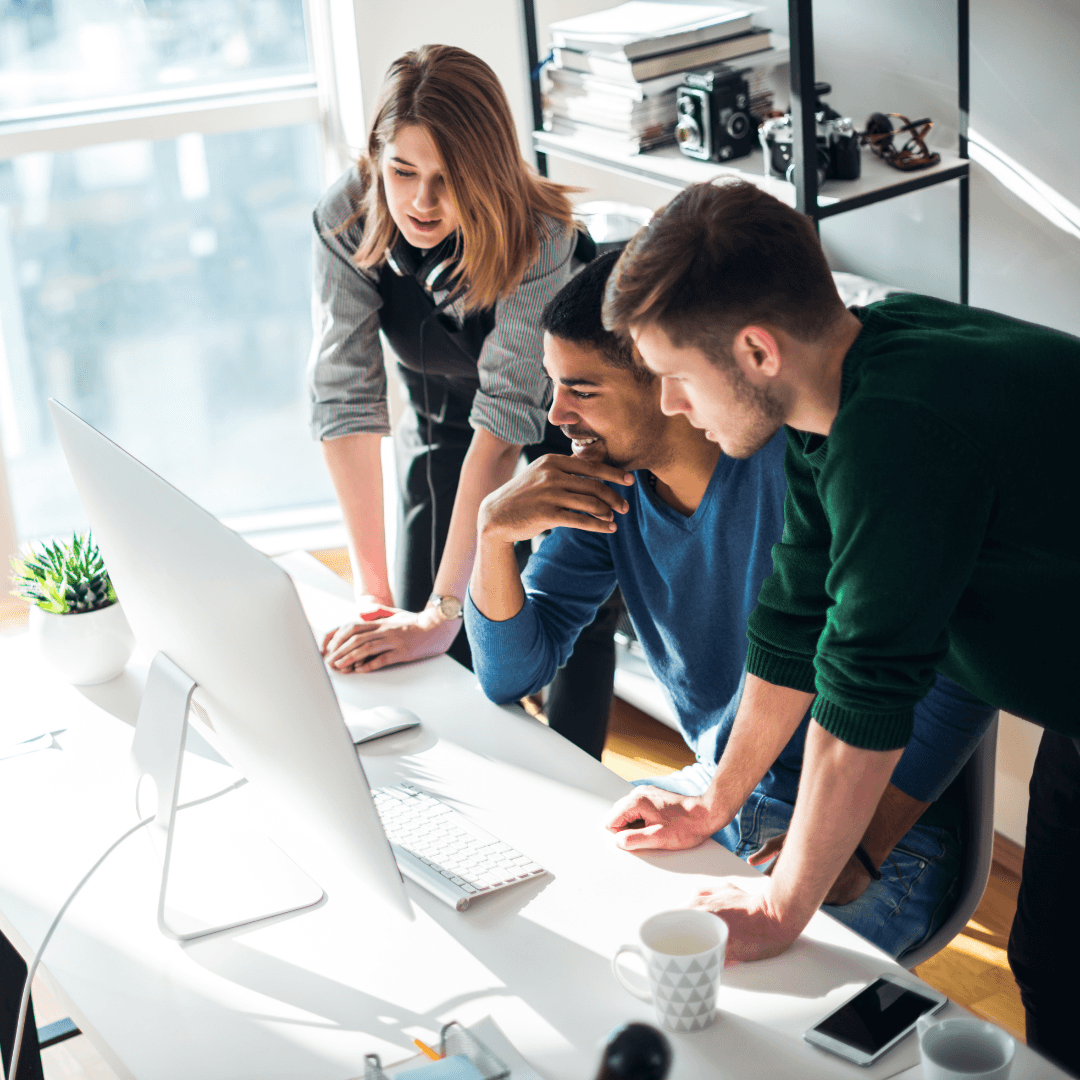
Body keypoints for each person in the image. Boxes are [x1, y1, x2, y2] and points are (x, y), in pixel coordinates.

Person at [602, 179, 1080, 1074]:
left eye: (676, 376)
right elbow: (794, 623)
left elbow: (863, 698)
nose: (668, 405)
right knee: (1057, 966)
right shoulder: (846, 388)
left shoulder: (897, 433)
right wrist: (716, 801)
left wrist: (782, 905)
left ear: (756, 350)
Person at [465, 251, 996, 959]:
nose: (556, 415)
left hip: (871, 827)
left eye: (581, 390)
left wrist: (859, 849)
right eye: (553, 386)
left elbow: (967, 669)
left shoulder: (807, 464)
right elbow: (509, 674)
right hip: (721, 791)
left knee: (728, 992)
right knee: (546, 915)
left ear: (667, 379)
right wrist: (493, 534)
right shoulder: (605, 490)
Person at [306, 44, 617, 757]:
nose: (421, 201)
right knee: (425, 637)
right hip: (441, 413)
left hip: (555, 420)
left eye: (448, 179)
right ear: (376, 159)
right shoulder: (344, 217)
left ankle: (573, 778)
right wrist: (374, 598)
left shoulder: (542, 236)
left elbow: (505, 423)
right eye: (403, 171)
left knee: (565, 613)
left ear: (489, 170)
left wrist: (446, 610)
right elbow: (346, 396)